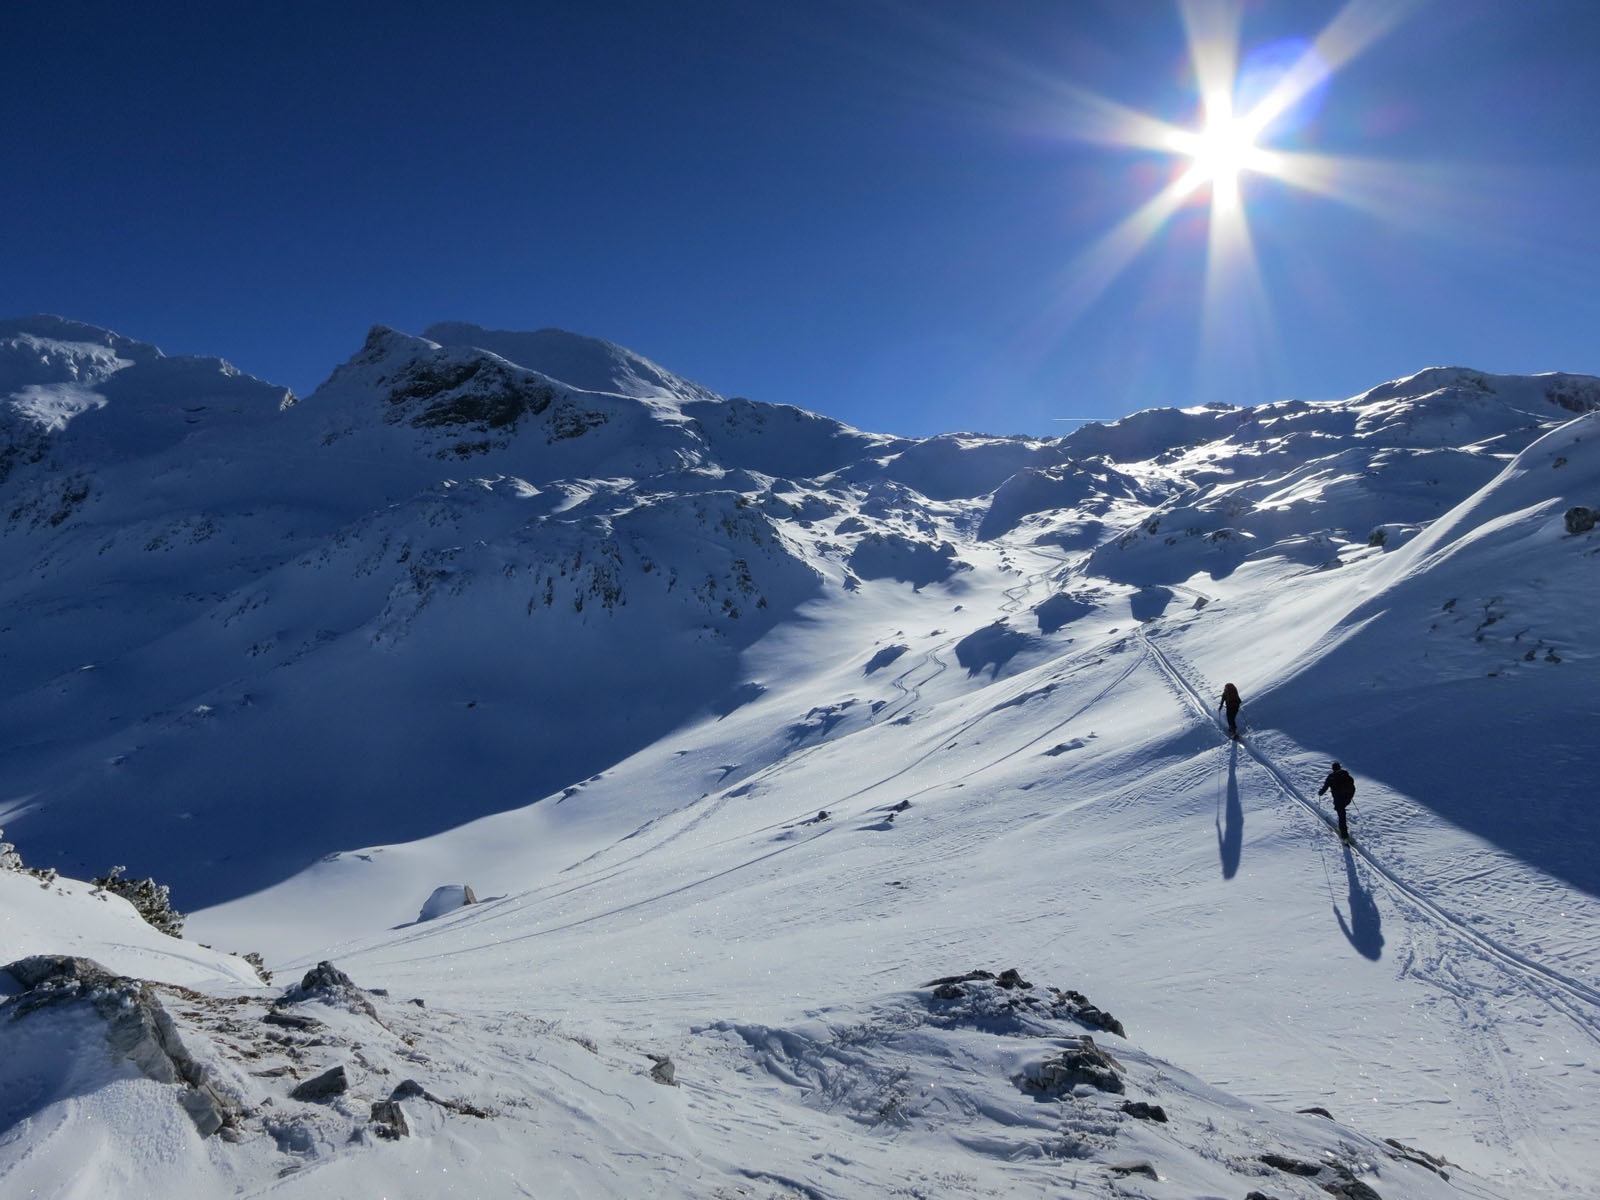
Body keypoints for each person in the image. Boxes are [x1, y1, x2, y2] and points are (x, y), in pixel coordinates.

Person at [1318, 761, 1356, 841]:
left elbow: (1325, 787)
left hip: (1338, 799)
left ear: (1333, 768)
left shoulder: (1331, 777)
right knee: (1342, 813)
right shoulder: (1346, 775)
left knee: (1342, 816)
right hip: (1347, 798)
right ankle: (1343, 830)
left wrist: (1320, 793)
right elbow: (1352, 785)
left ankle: (1344, 836)